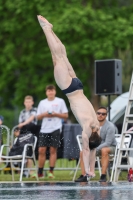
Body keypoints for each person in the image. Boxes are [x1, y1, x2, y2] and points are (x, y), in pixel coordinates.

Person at [37, 15, 100, 180]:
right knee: (57, 57)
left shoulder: (96, 126)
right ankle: (45, 28)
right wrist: (87, 173)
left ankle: (50, 28)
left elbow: (93, 150)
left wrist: (92, 171)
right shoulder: (87, 128)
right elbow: (87, 150)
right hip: (70, 90)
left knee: (62, 53)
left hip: (78, 85)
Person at [75, 106, 117, 182]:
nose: (100, 115)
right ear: (95, 114)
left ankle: (103, 176)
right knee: (82, 153)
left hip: (110, 147)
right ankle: (84, 175)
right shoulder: (90, 125)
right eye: (98, 113)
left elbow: (108, 143)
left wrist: (94, 149)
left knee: (104, 150)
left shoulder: (110, 126)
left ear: (106, 115)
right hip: (96, 147)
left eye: (103, 114)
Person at [37, 84, 68, 178]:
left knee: (53, 150)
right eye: (49, 91)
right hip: (44, 128)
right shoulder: (42, 103)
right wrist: (44, 114)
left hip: (56, 128)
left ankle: (51, 171)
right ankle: (40, 172)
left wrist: (56, 114)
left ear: (55, 91)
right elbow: (38, 117)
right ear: (46, 92)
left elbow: (66, 116)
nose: (50, 92)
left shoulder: (60, 101)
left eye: (52, 90)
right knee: (41, 150)